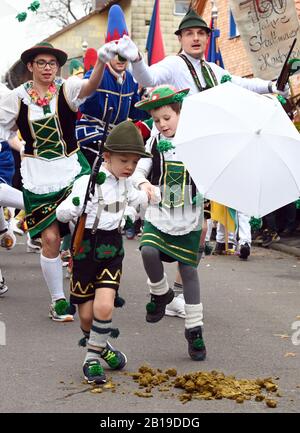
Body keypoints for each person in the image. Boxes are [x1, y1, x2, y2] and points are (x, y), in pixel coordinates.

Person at [0, 40, 118, 321]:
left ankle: (89, 282)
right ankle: (58, 301)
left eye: (52, 63)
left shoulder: (67, 88)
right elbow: (3, 130)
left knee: (85, 227)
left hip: (71, 170)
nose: (47, 68)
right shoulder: (15, 98)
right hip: (37, 178)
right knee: (50, 238)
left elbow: (90, 88)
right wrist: (16, 146)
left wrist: (101, 62)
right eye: (41, 63)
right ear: (30, 66)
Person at [56, 120, 151, 384]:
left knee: (104, 306)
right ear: (106, 156)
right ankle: (103, 347)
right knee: (86, 316)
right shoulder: (87, 181)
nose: (130, 167)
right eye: (124, 161)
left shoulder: (127, 183)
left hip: (112, 249)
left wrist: (137, 204)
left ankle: (91, 361)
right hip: (85, 248)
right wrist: (76, 204)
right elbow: (62, 212)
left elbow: (137, 204)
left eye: (134, 162)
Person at [132, 85, 206, 361]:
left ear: (179, 113)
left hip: (189, 212)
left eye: (167, 118)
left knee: (188, 271)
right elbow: (139, 170)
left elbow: (209, 175)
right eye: (157, 119)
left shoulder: (198, 141)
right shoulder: (152, 142)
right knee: (148, 250)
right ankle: (160, 293)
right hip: (160, 210)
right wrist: (144, 183)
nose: (162, 124)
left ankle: (194, 330)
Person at [116, 9, 289, 100]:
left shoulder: (214, 70)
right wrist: (137, 59)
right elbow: (148, 79)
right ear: (180, 39)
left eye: (200, 33)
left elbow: (243, 84)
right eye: (189, 33)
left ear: (208, 37)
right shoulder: (174, 63)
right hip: (180, 142)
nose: (196, 38)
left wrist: (272, 86)